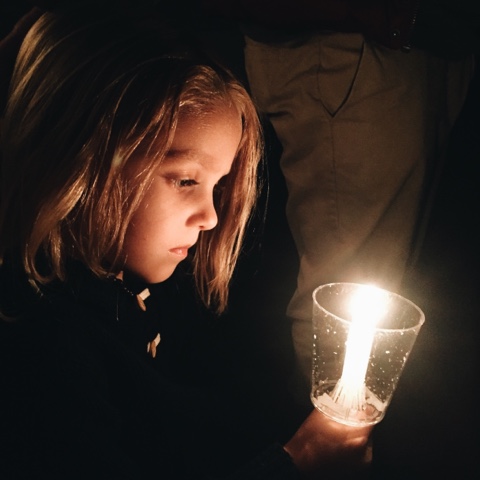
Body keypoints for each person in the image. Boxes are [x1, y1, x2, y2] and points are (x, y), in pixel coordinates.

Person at [0, 5, 373, 479]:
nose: (211, 217)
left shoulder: (138, 294)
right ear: (79, 158)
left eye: (217, 185)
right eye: (185, 181)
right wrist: (297, 464)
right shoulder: (42, 351)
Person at [201, 0, 478, 390]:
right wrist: (374, 15)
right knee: (345, 291)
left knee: (387, 273)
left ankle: (348, 417)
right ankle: (324, 423)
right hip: (353, 39)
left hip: (423, 41)